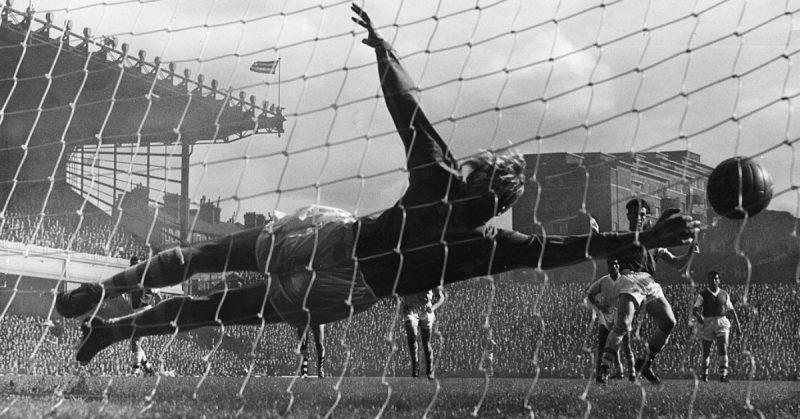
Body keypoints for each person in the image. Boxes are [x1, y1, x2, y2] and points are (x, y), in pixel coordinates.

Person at [54, 5, 700, 366]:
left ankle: (106, 295)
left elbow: (405, 107)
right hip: (346, 288)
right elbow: (562, 248)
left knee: (202, 259)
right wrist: (643, 233)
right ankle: (118, 330)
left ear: (476, 173)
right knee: (213, 308)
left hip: (321, 239)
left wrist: (382, 47)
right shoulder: (485, 244)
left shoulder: (439, 180)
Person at [598, 198, 700, 385]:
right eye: (636, 214)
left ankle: (645, 363)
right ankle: (604, 368)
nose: (639, 218)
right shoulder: (622, 237)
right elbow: (602, 248)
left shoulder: (654, 243)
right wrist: (594, 233)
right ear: (628, 215)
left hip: (649, 282)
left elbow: (677, 264)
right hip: (629, 279)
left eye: (643, 215)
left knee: (669, 321)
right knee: (623, 324)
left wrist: (691, 251)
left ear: (646, 217)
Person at [586, 258, 635, 382]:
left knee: (625, 345)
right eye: (611, 264)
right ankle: (600, 375)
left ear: (618, 266)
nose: (614, 265)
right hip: (606, 316)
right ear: (608, 267)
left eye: (616, 263)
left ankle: (631, 373)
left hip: (621, 316)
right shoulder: (603, 281)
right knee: (602, 345)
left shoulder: (625, 280)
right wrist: (599, 305)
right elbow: (590, 294)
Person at [692, 270, 742, 383]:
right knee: (706, 350)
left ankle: (723, 376)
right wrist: (698, 316)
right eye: (712, 278)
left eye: (716, 278)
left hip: (721, 321)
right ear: (708, 280)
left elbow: (732, 311)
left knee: (723, 348)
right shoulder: (703, 294)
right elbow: (694, 309)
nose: (714, 280)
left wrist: (738, 326)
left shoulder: (724, 294)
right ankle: (704, 374)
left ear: (719, 280)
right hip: (708, 322)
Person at [400, 288, 440, 379]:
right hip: (410, 310)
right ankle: (415, 369)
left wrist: (433, 308)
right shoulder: (405, 276)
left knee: (426, 343)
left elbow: (441, 297)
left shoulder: (429, 277)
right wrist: (402, 305)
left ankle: (429, 371)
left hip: (426, 311)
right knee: (412, 338)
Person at [128, 256, 156, 376]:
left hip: (144, 310)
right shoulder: (132, 279)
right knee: (135, 342)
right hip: (138, 311)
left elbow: (151, 291)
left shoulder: (144, 277)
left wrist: (144, 298)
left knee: (136, 342)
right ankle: (148, 368)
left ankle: (136, 371)